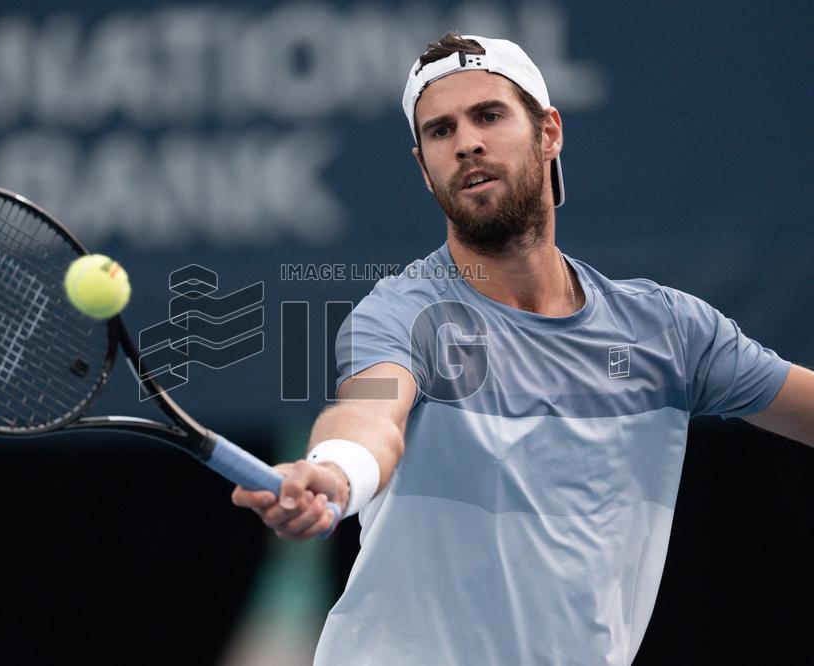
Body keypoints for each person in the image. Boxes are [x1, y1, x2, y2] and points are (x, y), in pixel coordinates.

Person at [231, 32, 814, 664]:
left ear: (549, 132)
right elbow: (370, 418)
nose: (466, 143)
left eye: (488, 116)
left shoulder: (669, 330)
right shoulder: (400, 313)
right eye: (441, 131)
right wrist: (336, 474)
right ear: (424, 169)